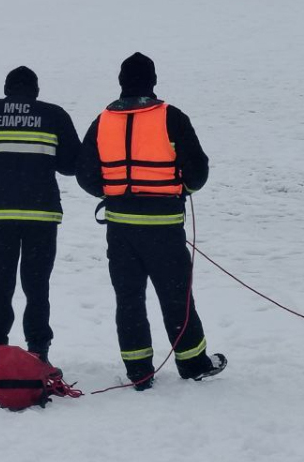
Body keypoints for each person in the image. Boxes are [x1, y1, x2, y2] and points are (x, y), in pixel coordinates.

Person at [76, 53, 226, 390]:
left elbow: (84, 174)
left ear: (121, 82)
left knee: (129, 298)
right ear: (153, 81)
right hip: (163, 225)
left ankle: (139, 371)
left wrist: (114, 190)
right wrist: (178, 188)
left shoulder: (102, 121)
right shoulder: (171, 117)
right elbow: (197, 173)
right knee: (175, 296)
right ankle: (192, 362)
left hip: (120, 228)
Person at [0, 66, 80, 363]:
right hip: (41, 213)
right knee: (37, 285)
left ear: (7, 89)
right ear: (35, 90)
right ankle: (38, 350)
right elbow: (71, 164)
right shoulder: (54, 115)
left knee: (0, 284)